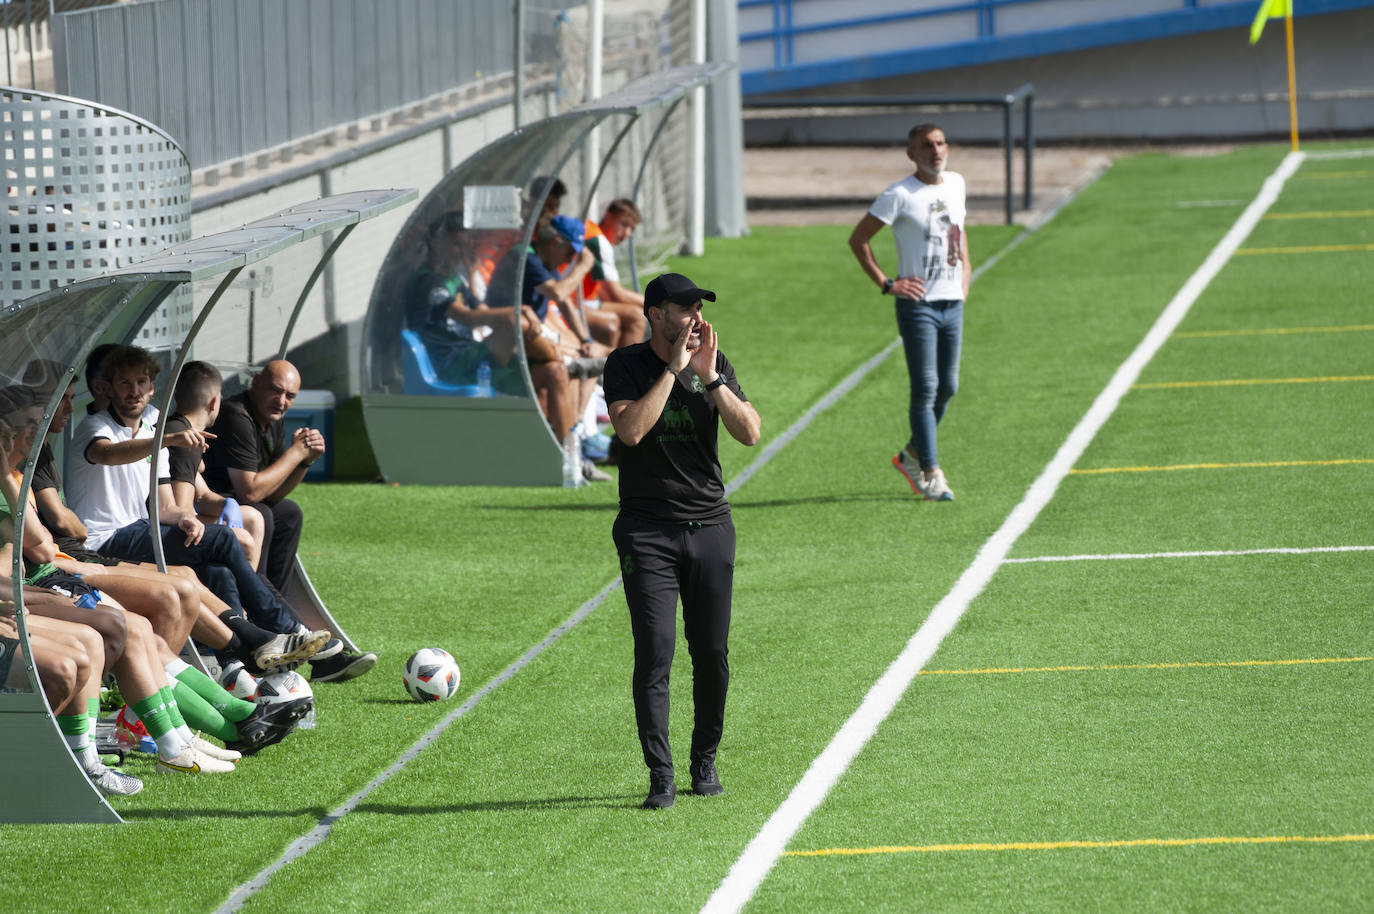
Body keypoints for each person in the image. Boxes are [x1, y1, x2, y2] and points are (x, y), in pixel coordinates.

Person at [602, 272, 761, 809]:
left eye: (699, 307)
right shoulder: (624, 365)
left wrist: (711, 379)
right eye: (684, 307)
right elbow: (631, 431)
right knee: (656, 654)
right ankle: (661, 774)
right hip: (647, 533)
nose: (695, 316)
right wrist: (673, 371)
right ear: (655, 313)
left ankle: (704, 760)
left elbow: (750, 432)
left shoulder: (712, 365)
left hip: (711, 527)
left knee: (712, 652)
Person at [63, 345, 329, 665]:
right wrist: (169, 439)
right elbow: (108, 454)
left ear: (152, 388)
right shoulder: (96, 427)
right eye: (124, 383)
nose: (134, 391)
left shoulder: (153, 422)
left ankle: (240, 658)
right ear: (108, 388)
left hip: (139, 529)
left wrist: (184, 518)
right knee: (225, 539)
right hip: (103, 539)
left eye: (142, 382)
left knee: (216, 564)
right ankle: (281, 626)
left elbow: (163, 506)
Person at [201, 359, 377, 682]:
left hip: (240, 511)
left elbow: (272, 492)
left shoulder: (271, 418)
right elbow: (250, 491)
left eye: (290, 396)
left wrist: (302, 463)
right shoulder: (235, 416)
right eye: (276, 391)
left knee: (288, 514)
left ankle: (276, 623)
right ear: (255, 384)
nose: (282, 401)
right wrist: (295, 454)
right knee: (263, 515)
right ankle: (273, 626)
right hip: (216, 514)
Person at [848, 122, 971, 502]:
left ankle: (911, 454)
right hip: (918, 306)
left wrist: (965, 274)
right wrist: (887, 283)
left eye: (939, 143)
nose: (935, 151)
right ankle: (931, 472)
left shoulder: (956, 184)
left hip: (953, 303)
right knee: (927, 388)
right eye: (926, 146)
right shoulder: (899, 194)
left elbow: (959, 231)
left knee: (948, 386)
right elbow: (859, 239)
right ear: (911, 154)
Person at [581, 198, 648, 349]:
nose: (627, 233)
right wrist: (659, 304)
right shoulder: (598, 241)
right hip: (575, 303)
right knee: (636, 317)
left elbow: (607, 293)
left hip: (580, 301)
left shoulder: (592, 233)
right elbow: (616, 295)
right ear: (608, 217)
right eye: (624, 224)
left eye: (632, 228)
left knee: (622, 318)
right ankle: (630, 372)